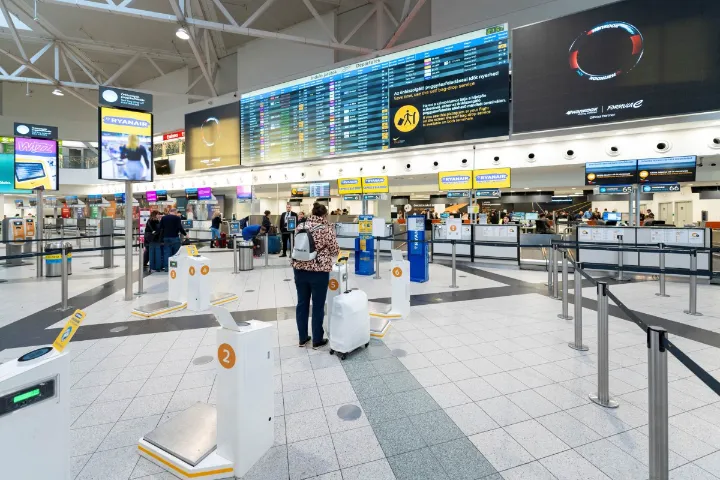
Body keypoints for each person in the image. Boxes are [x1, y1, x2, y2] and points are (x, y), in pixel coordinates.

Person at [292, 203, 339, 349]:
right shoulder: (326, 229)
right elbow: (335, 250)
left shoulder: (300, 226)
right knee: (318, 305)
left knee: (302, 304)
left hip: (299, 269)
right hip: (319, 271)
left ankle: (302, 338)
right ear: (324, 215)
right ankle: (317, 339)